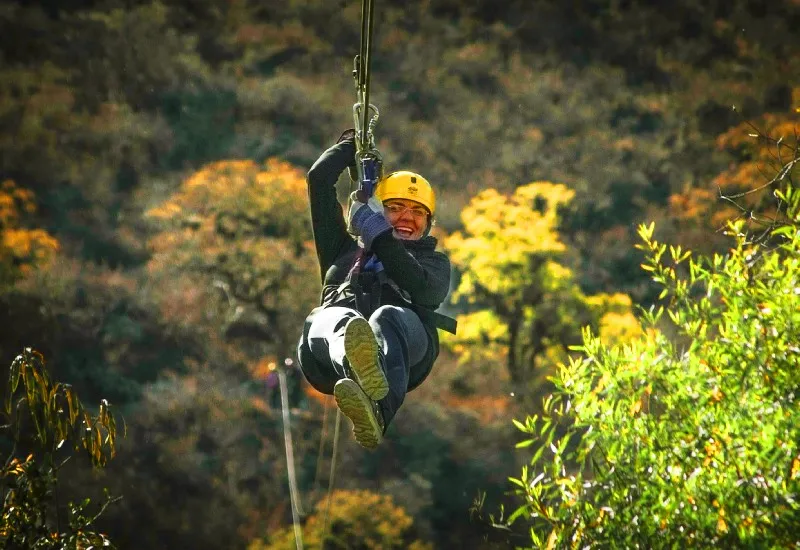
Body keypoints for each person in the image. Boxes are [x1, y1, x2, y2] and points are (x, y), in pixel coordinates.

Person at [297, 130, 456, 449]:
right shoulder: (341, 249)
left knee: (387, 316)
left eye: (418, 212)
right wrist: (349, 148)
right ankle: (356, 362)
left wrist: (376, 233)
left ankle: (378, 409)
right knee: (331, 317)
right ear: (379, 209)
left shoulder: (434, 263)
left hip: (404, 352)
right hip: (327, 357)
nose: (407, 218)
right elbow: (319, 179)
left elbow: (421, 288)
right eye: (396, 207)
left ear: (428, 223)